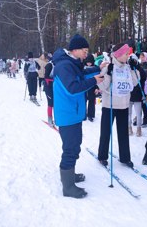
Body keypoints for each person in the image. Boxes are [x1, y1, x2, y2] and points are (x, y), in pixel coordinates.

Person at [53, 34, 104, 198]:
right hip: (67, 115)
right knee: (70, 148)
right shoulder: (64, 66)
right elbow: (73, 88)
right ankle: (68, 187)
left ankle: (70, 175)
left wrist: (98, 68)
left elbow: (82, 74)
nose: (86, 53)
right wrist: (94, 81)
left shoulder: (72, 64)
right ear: (75, 49)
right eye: (84, 50)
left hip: (73, 114)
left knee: (75, 146)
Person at [97, 43, 139, 168]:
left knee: (123, 132)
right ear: (119, 55)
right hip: (109, 105)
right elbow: (102, 86)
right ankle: (102, 156)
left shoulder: (128, 68)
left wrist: (133, 69)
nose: (128, 56)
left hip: (124, 105)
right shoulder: (109, 67)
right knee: (106, 132)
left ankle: (125, 157)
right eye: (126, 53)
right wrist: (108, 74)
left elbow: (136, 83)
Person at [128, 54, 146, 137]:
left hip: (138, 95)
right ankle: (129, 127)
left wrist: (144, 94)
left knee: (138, 113)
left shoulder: (140, 70)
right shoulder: (127, 69)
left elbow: (143, 81)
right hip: (128, 95)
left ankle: (139, 129)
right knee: (129, 113)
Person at [84, 54, 98, 122]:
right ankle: (83, 114)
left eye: (90, 62)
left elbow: (98, 78)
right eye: (87, 62)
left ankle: (91, 115)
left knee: (91, 102)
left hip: (92, 87)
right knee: (84, 101)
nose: (89, 63)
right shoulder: (83, 68)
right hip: (84, 87)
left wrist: (97, 87)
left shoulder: (95, 68)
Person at [43, 59, 55, 126]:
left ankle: (56, 118)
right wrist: (53, 79)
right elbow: (46, 77)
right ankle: (50, 119)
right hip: (48, 87)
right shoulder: (49, 65)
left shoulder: (58, 65)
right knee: (50, 103)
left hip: (54, 87)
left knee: (55, 103)